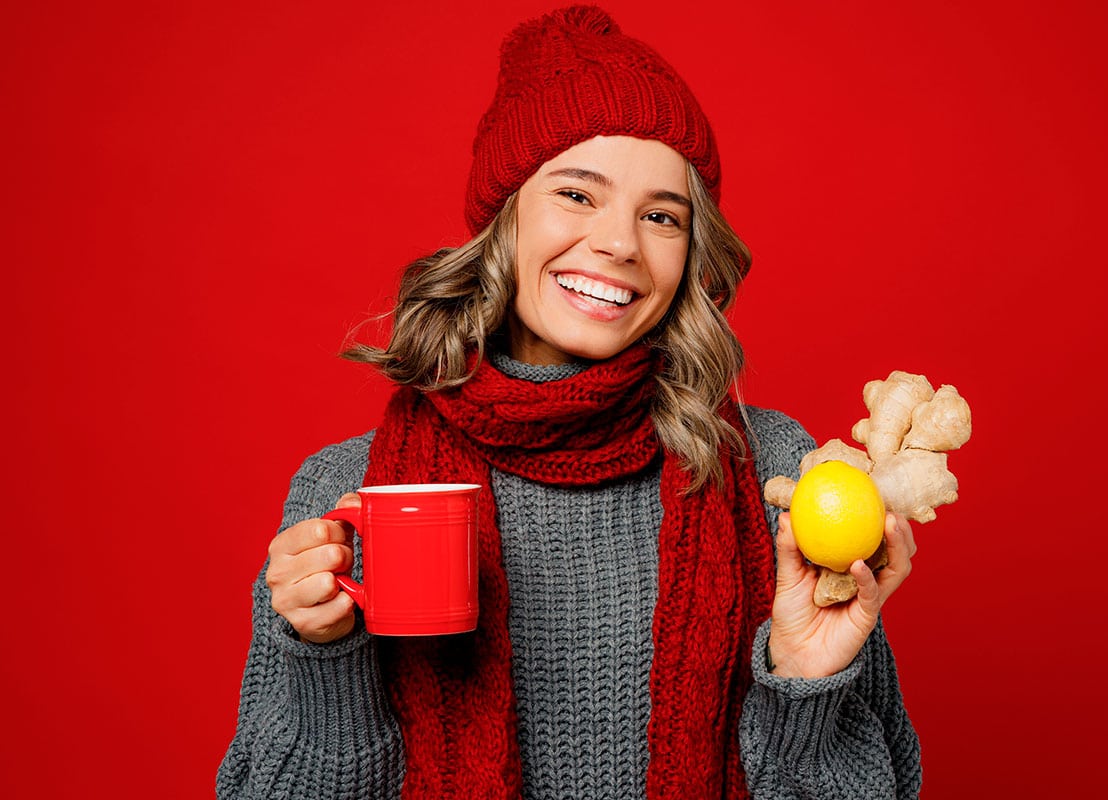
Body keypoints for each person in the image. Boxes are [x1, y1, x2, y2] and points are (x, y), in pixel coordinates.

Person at [217, 6, 921, 799]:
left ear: (691, 252)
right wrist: (325, 658)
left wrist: (807, 685)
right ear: (505, 218)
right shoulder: (347, 498)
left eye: (661, 216)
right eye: (579, 195)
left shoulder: (781, 482)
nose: (621, 241)